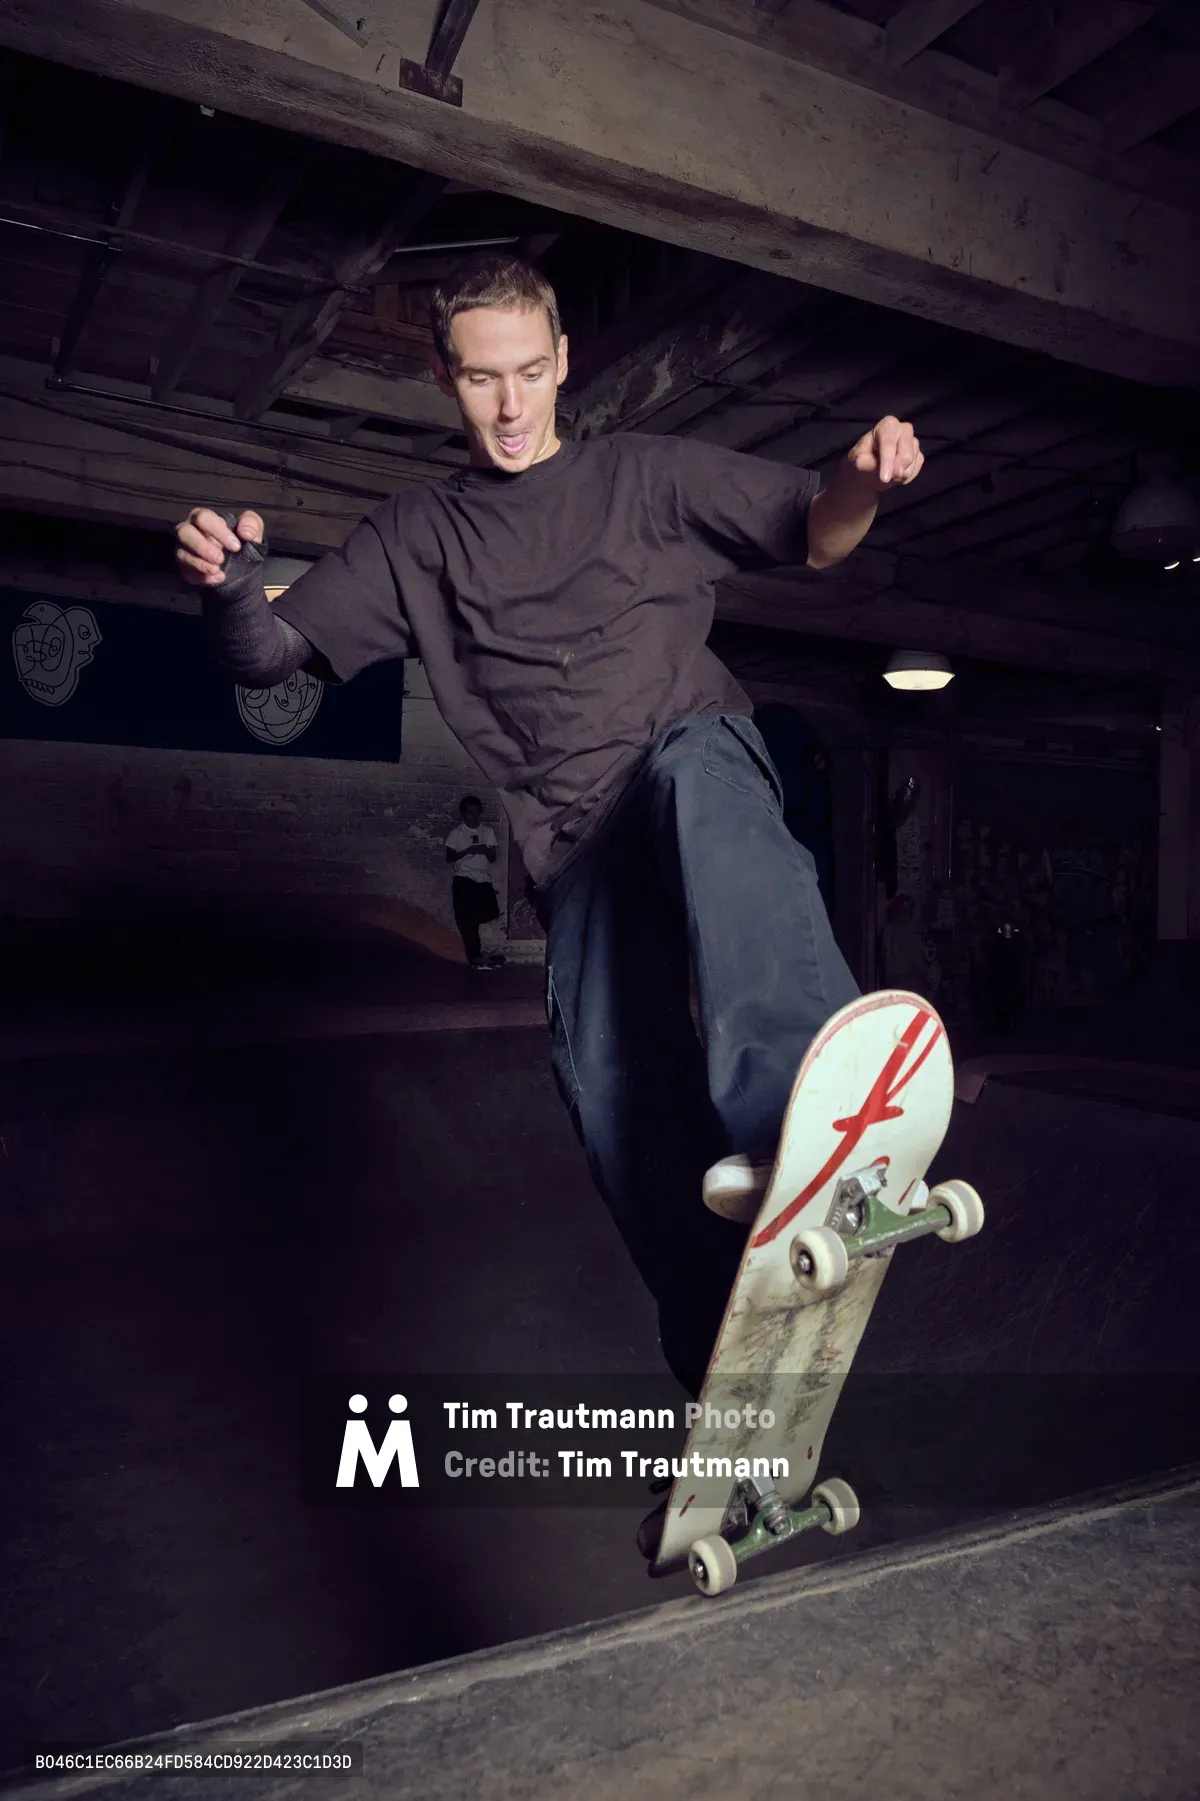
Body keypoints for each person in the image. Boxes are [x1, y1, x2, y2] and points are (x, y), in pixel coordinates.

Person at [174, 254, 924, 1406]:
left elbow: (815, 529)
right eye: (482, 380)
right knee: (605, 1076)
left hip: (690, 757)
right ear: (445, 376)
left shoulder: (644, 478)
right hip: (575, 849)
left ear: (566, 361)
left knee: (696, 782)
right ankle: (722, 1359)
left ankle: (802, 1116)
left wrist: (864, 478)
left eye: (531, 373)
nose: (513, 407)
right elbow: (271, 658)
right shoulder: (419, 535)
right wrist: (233, 592)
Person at [445, 794, 504, 969]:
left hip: (483, 879)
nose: (473, 815)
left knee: (491, 913)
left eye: (476, 812)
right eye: (469, 812)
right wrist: (468, 850)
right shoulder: (457, 833)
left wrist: (485, 850)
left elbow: (493, 858)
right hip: (464, 879)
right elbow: (449, 857)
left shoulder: (487, 832)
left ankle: (485, 952)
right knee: (467, 920)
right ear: (463, 813)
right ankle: (475, 956)